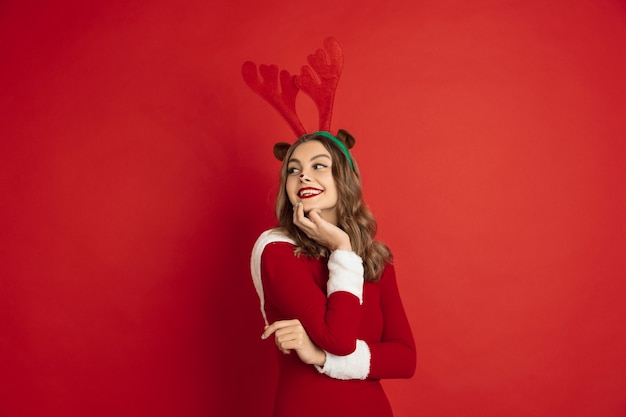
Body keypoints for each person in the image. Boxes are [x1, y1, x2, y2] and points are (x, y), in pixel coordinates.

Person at [250, 129, 416, 417]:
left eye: (318, 165)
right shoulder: (276, 250)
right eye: (293, 169)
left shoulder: (375, 258)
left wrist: (320, 357)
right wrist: (342, 248)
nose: (303, 175)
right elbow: (337, 338)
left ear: (344, 178)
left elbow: (405, 359)